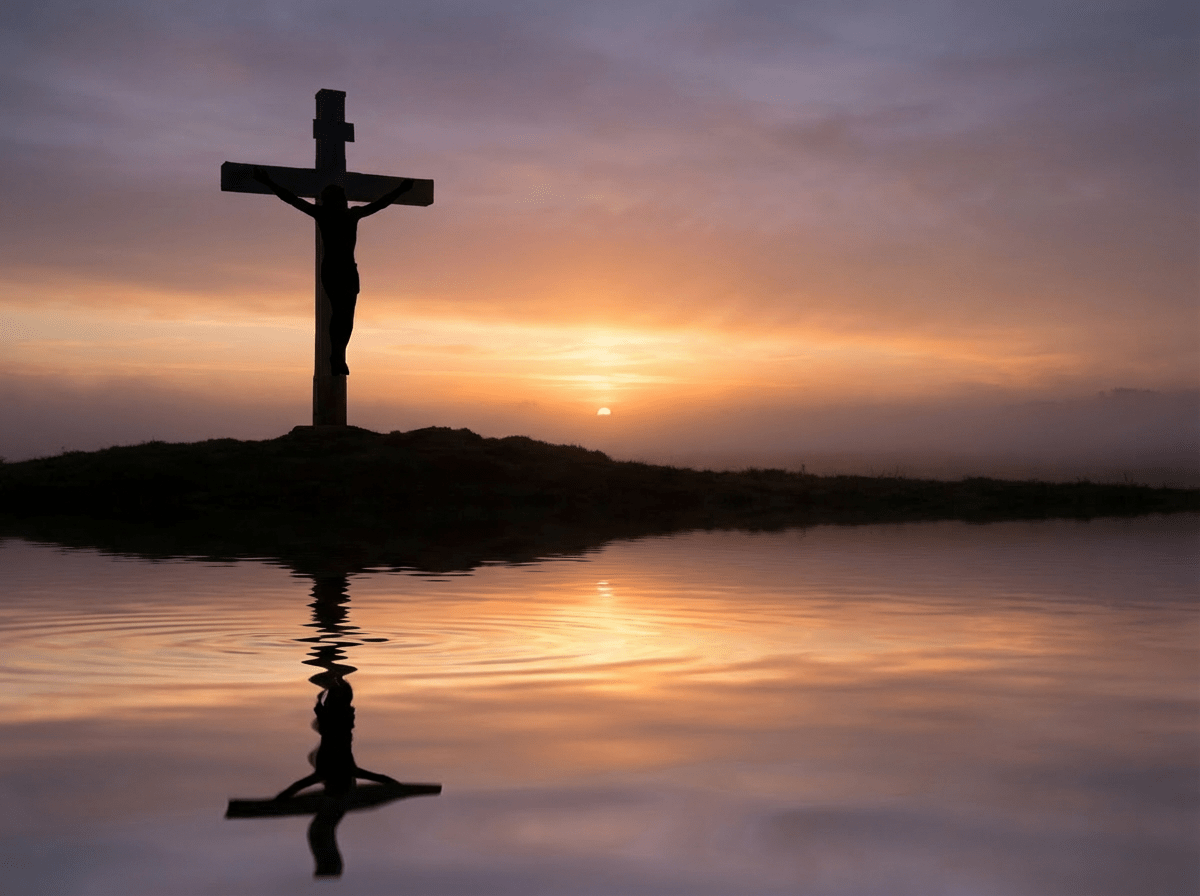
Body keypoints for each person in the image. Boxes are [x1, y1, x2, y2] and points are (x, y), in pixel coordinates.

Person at [253, 168, 413, 375]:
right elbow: (291, 199)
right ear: (329, 201)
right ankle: (336, 355)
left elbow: (380, 204)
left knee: (346, 317)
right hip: (334, 270)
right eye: (337, 198)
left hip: (348, 270)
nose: (341, 201)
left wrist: (400, 189)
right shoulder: (324, 214)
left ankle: (339, 353)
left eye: (341, 198)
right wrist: (269, 182)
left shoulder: (350, 214)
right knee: (340, 312)